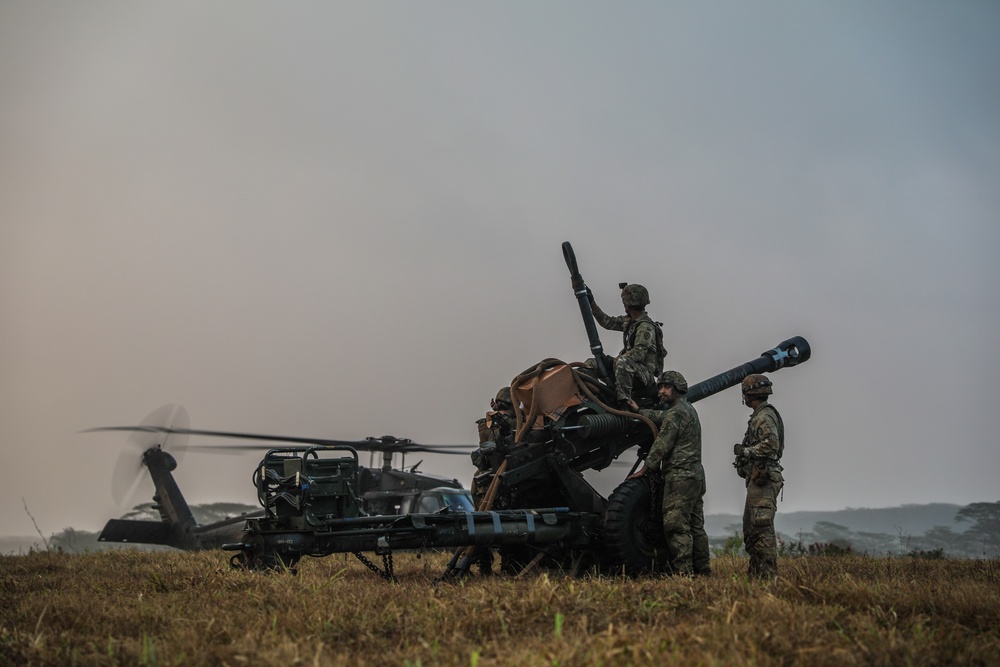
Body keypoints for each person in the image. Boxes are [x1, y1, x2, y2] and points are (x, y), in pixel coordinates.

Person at [626, 371, 711, 576]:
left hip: (680, 478)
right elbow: (659, 416)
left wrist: (644, 469)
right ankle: (703, 570)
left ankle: (684, 573)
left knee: (675, 525)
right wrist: (640, 411)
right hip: (695, 477)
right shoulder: (685, 409)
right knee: (695, 525)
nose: (662, 391)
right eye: (661, 387)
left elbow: (661, 445)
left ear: (677, 389)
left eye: (667, 387)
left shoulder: (676, 413)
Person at [733, 373, 784, 580]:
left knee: (761, 529)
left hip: (764, 479)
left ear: (748, 393)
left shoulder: (763, 416)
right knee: (752, 529)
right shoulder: (761, 415)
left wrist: (746, 452)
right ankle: (756, 576)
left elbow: (771, 444)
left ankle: (767, 578)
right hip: (758, 479)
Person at [588, 283, 666, 406]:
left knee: (622, 362)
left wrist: (612, 361)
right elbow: (607, 322)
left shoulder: (645, 327)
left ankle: (625, 403)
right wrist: (591, 303)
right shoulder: (630, 322)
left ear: (628, 304)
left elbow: (637, 355)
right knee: (592, 364)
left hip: (643, 376)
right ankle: (593, 395)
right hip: (629, 369)